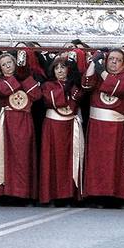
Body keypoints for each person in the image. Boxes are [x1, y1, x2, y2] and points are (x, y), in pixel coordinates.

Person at [81, 48, 124, 203]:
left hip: (117, 127)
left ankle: (120, 196)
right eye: (111, 59)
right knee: (98, 162)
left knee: (117, 163)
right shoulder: (99, 76)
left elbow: (121, 89)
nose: (113, 62)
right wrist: (94, 62)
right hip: (97, 128)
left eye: (117, 59)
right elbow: (86, 85)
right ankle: (97, 195)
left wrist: (103, 73)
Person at [0, 51, 39, 202]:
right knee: (7, 156)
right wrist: (18, 80)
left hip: (24, 120)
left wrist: (24, 78)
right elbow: (0, 91)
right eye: (3, 65)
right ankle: (7, 192)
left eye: (9, 63)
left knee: (24, 155)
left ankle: (25, 193)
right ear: (0, 69)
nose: (7, 67)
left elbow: (37, 95)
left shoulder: (24, 77)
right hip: (8, 122)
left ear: (15, 64)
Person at [38, 55, 84, 205]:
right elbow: (51, 101)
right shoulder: (48, 86)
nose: (59, 71)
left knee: (70, 159)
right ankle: (52, 195)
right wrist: (64, 89)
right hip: (53, 126)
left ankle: (70, 193)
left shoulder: (74, 86)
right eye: (56, 68)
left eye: (63, 67)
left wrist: (71, 86)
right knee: (51, 161)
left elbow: (77, 99)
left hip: (70, 127)